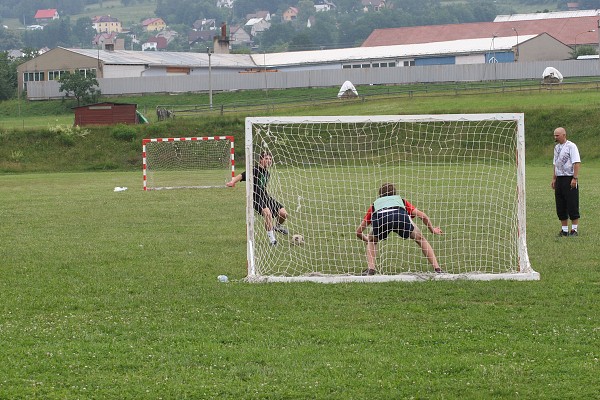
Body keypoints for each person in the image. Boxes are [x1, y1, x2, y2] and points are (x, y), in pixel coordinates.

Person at [356, 183, 443, 275]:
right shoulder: (401, 201)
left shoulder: (374, 206)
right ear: (395, 194)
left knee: (372, 241)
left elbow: (358, 232)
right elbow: (423, 216)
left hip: (381, 219)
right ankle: (437, 269)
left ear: (380, 196)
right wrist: (432, 229)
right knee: (420, 239)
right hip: (400, 217)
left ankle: (371, 269)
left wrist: (368, 240)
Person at [227, 151, 288, 245]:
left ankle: (277, 227)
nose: (269, 161)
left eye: (270, 159)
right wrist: (233, 182)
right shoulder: (254, 170)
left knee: (283, 213)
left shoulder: (267, 173)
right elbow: (241, 175)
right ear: (261, 160)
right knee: (267, 213)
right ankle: (272, 240)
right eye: (266, 158)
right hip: (255, 198)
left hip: (265, 197)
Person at [551, 127, 581, 237]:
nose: (555, 137)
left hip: (569, 178)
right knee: (560, 204)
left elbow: (576, 163)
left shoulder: (571, 146)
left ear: (564, 135)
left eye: (557, 135)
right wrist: (554, 178)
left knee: (572, 203)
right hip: (559, 179)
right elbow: (555, 164)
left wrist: (575, 178)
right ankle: (564, 230)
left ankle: (574, 230)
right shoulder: (556, 148)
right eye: (554, 135)